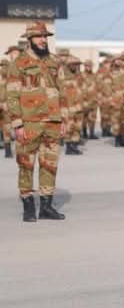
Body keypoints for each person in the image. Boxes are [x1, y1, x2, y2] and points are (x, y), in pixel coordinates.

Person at [6, 22, 67, 221]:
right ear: (30, 39)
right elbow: (12, 95)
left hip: (53, 122)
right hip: (29, 122)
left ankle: (46, 207)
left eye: (45, 37)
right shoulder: (19, 63)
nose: (43, 40)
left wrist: (64, 119)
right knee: (26, 164)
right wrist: (17, 123)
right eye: (39, 37)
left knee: (49, 164)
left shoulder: (54, 61)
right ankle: (28, 207)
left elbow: (62, 91)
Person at [57, 50, 83, 155]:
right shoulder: (61, 75)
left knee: (77, 126)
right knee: (69, 127)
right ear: (68, 65)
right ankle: (69, 147)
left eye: (77, 64)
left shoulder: (78, 75)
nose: (75, 66)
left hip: (78, 105)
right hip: (67, 106)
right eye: (73, 64)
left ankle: (75, 145)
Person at [81, 59, 99, 140]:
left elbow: (99, 86)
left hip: (93, 100)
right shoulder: (80, 76)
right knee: (83, 118)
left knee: (92, 117)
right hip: (84, 100)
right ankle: (84, 133)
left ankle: (92, 133)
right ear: (84, 66)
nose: (89, 67)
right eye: (87, 65)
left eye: (90, 66)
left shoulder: (95, 76)